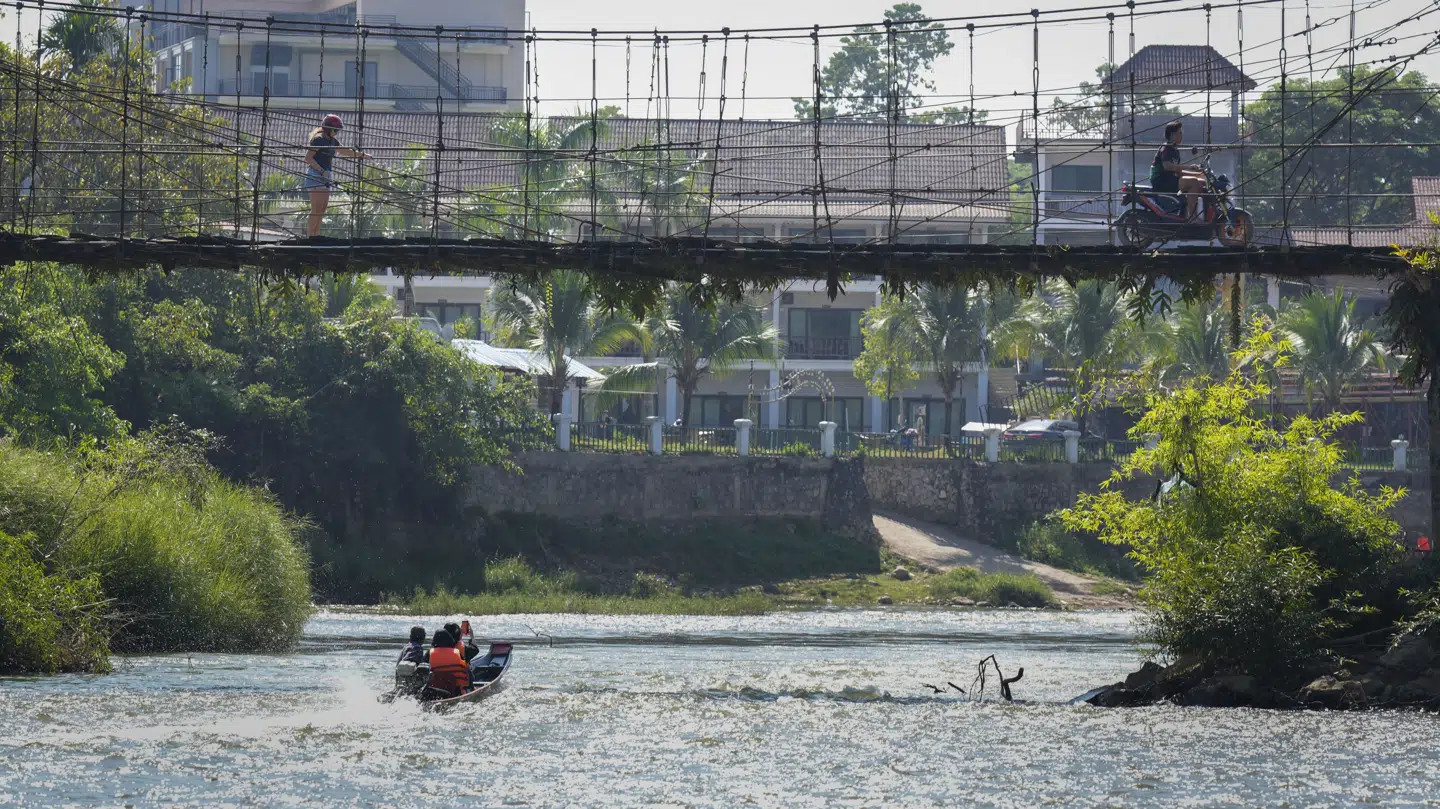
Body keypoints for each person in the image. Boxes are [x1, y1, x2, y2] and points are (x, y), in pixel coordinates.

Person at [303, 114, 370, 237]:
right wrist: (322, 171)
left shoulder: (332, 140)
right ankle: (309, 236)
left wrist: (362, 155)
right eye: (336, 130)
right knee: (316, 209)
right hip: (316, 175)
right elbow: (308, 158)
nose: (337, 132)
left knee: (322, 209)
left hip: (327, 176)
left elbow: (345, 151)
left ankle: (316, 235)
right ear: (328, 129)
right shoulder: (318, 139)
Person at [1149, 121, 1207, 221]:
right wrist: (1189, 167)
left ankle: (1195, 214)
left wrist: (1199, 174)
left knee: (1202, 182)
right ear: (1172, 134)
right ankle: (1192, 218)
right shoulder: (1166, 148)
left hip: (1171, 179)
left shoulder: (1175, 151)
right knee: (1193, 182)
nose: (1182, 135)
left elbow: (1179, 173)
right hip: (1161, 180)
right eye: (1179, 133)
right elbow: (1167, 166)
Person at [424, 629, 471, 698]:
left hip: (434, 692)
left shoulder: (429, 653)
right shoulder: (457, 653)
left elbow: (422, 671)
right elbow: (467, 671)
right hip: (456, 692)